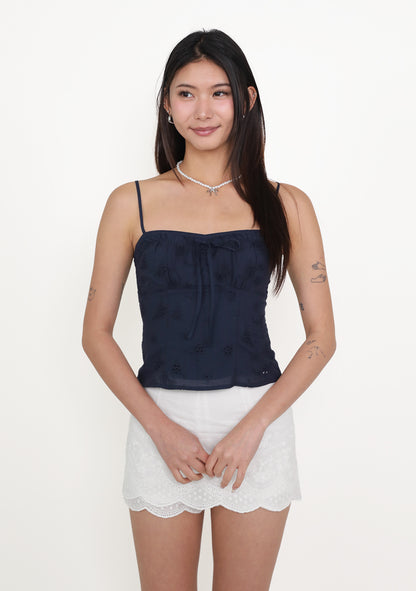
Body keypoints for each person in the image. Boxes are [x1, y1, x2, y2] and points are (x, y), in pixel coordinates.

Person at [82, 28, 336, 591]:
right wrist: (160, 430)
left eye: (219, 93)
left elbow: (322, 337)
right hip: (160, 425)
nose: (203, 110)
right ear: (166, 105)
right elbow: (95, 334)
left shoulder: (287, 204)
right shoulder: (131, 202)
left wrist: (253, 428)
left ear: (246, 100)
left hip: (257, 425)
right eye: (186, 93)